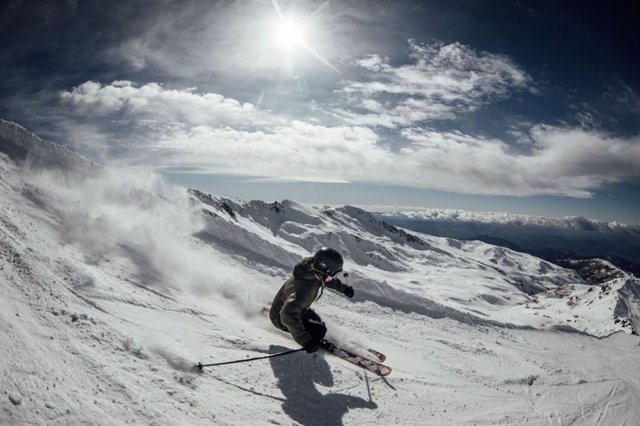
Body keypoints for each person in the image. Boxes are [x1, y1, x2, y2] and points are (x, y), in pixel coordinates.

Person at [269, 247, 355, 353]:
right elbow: (287, 315)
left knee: (318, 322)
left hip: (291, 307)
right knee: (320, 331)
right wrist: (306, 341)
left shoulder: (311, 270)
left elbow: (327, 280)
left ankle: (313, 335)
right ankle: (316, 341)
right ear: (325, 270)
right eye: (333, 274)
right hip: (280, 319)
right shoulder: (303, 291)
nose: (332, 277)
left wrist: (343, 288)